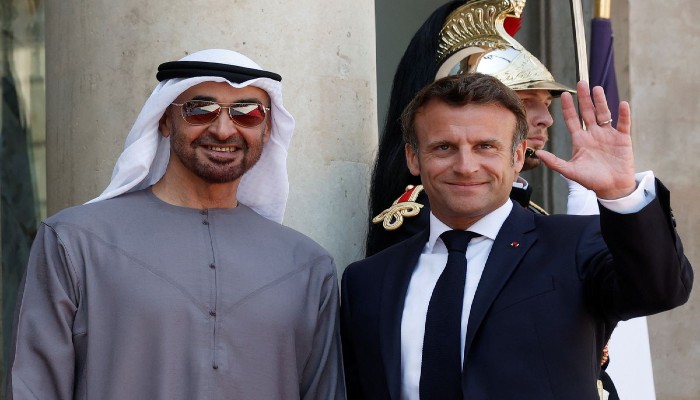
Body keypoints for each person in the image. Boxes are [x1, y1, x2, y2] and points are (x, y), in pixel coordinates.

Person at [5, 49, 345, 400]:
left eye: (248, 113)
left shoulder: (307, 267)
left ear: (267, 128)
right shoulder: (74, 242)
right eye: (201, 109)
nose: (224, 129)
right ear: (165, 120)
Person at [340, 73, 693, 399]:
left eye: (485, 147)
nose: (465, 166)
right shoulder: (367, 281)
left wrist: (620, 195)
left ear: (519, 156)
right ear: (413, 158)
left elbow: (659, 290)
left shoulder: (574, 246)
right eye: (444, 147)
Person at [368, 0, 595, 258]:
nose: (546, 119)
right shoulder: (419, 214)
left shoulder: (528, 208)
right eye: (525, 103)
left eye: (545, 104)